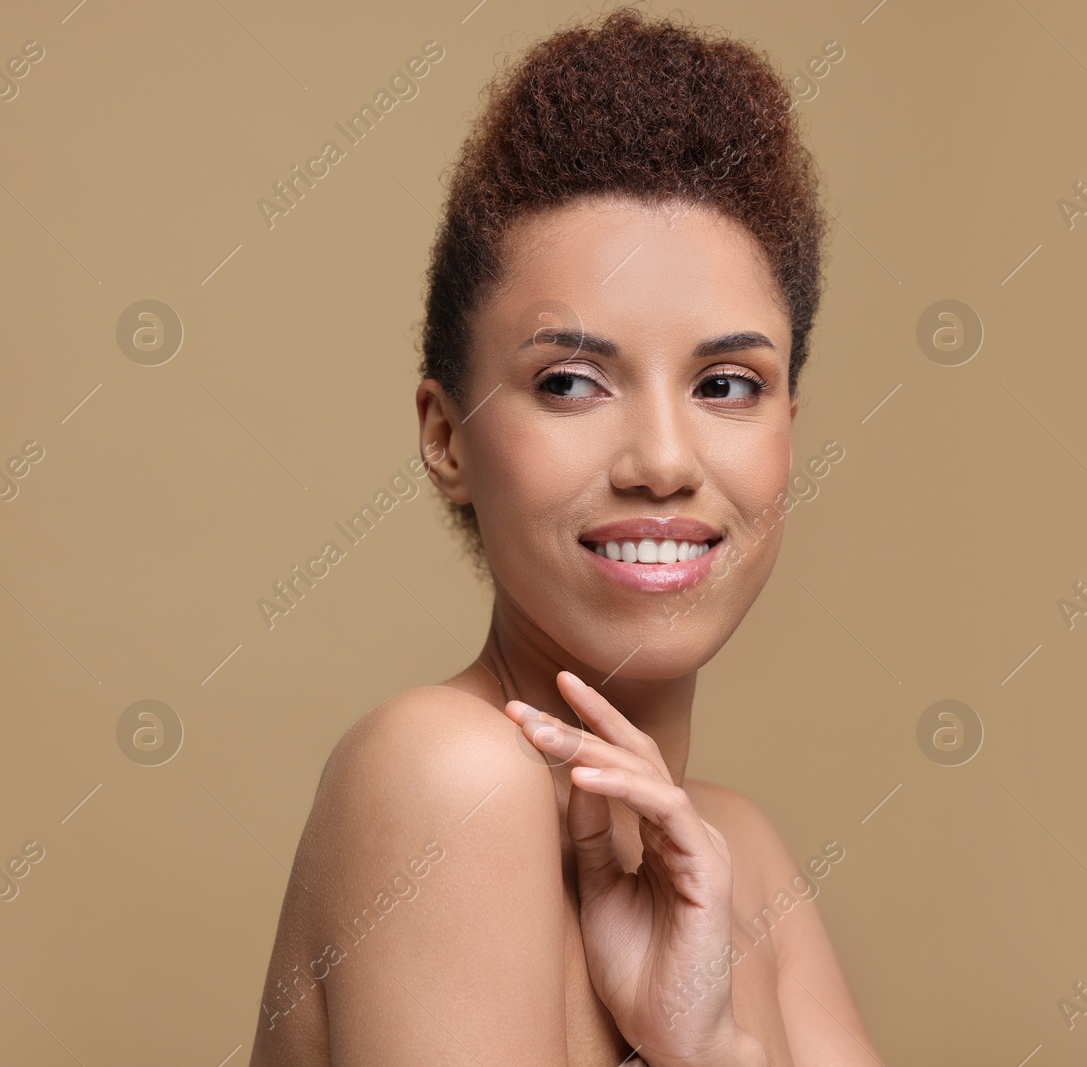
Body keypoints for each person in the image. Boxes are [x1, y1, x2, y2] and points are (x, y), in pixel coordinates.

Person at [249, 6, 881, 1064]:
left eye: (726, 383)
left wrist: (712, 1047)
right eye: (571, 382)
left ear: (786, 429)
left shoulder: (743, 863)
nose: (664, 459)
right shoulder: (452, 780)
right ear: (447, 436)